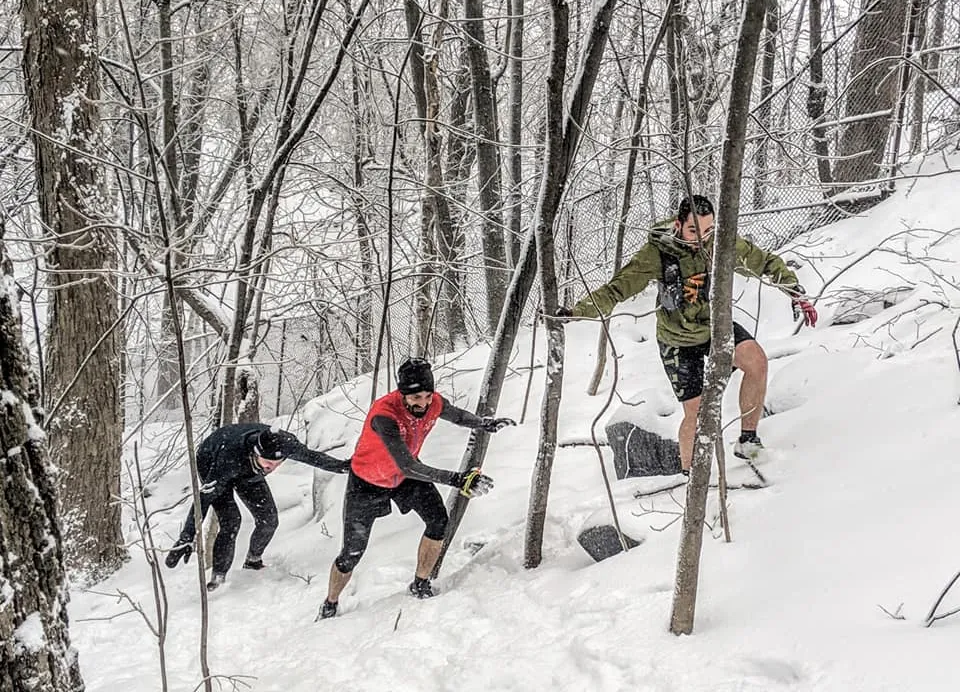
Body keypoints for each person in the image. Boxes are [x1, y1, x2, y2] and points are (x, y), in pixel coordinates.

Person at [559, 195, 817, 475]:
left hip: (715, 327)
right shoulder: (658, 252)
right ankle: (690, 476)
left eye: (708, 230)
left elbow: (763, 262)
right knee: (697, 412)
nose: (701, 238)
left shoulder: (720, 242)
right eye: (694, 230)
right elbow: (617, 289)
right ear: (678, 225)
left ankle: (748, 441)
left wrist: (794, 290)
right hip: (678, 340)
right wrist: (576, 312)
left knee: (757, 362)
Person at [317, 358, 515, 619]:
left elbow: (456, 415)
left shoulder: (433, 403)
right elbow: (407, 465)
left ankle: (420, 584)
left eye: (427, 396)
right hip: (367, 482)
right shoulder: (384, 415)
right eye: (415, 398)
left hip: (403, 478)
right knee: (351, 553)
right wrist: (458, 479)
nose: (423, 403)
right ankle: (330, 603)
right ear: (402, 395)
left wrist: (483, 423)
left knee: (438, 522)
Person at [164, 423, 351, 590]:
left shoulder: (285, 444)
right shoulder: (228, 460)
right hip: (213, 460)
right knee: (231, 521)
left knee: (269, 520)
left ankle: (253, 561)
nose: (272, 468)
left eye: (276, 464)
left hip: (249, 471)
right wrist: (186, 537)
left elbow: (313, 457)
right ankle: (218, 577)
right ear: (255, 452)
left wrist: (344, 467)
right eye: (268, 463)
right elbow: (203, 500)